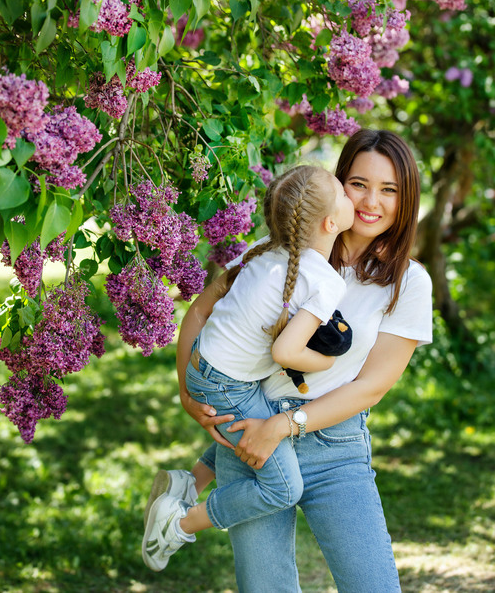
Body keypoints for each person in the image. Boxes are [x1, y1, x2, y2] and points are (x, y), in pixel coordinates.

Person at [158, 128, 432, 592]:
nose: (371, 201)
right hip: (251, 432)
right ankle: (185, 499)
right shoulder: (284, 252)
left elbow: (371, 387)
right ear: (337, 188)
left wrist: (283, 427)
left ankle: (188, 491)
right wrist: (188, 392)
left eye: (389, 190)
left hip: (335, 449)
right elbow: (203, 309)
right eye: (359, 184)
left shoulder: (408, 283)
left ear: (406, 201)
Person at [142, 164, 355, 571]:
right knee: (284, 489)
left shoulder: (267, 248)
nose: (350, 196)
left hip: (205, 367)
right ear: (331, 222)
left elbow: (206, 309)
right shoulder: (325, 282)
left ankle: (189, 481)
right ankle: (179, 522)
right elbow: (286, 352)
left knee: (263, 417)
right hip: (226, 386)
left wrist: (188, 387)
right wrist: (326, 360)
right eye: (344, 195)